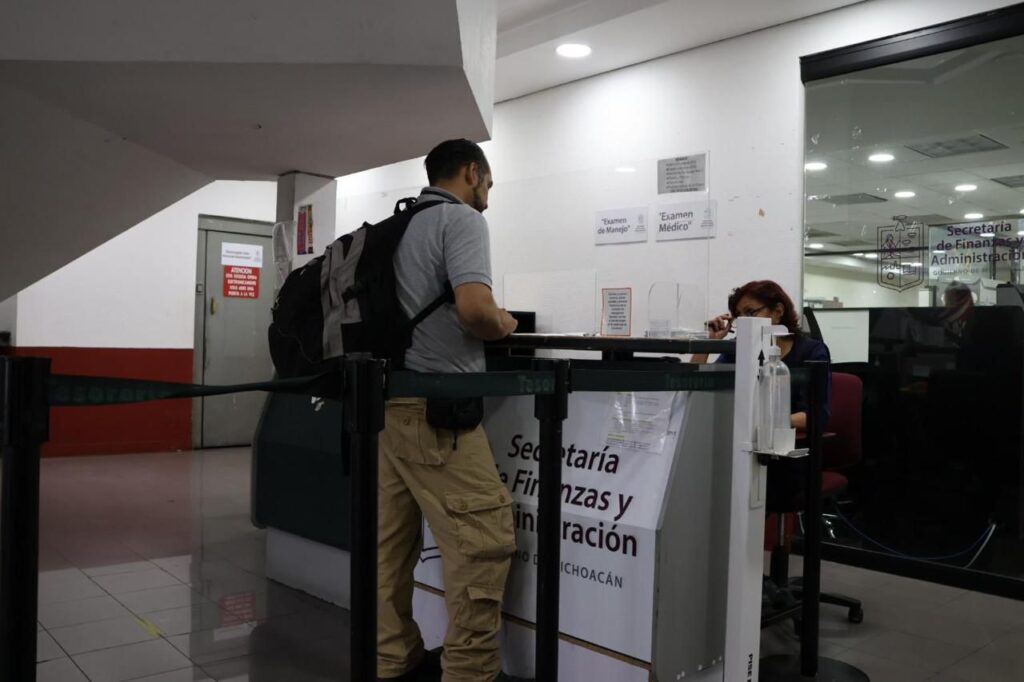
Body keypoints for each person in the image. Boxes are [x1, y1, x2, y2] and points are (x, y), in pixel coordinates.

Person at [378, 139, 520, 682]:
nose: (488, 195)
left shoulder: (399, 225)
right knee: (484, 542)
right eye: (488, 183)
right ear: (471, 171)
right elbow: (476, 311)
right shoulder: (461, 219)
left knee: (389, 547)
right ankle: (468, 673)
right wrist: (505, 323)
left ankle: (390, 658)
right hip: (438, 413)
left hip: (387, 407)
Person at [692, 279, 830, 430]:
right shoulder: (739, 346)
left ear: (778, 311)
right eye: (739, 316)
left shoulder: (812, 351)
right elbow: (696, 386)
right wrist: (707, 341)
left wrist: (766, 420)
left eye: (750, 312)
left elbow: (816, 416)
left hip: (787, 437)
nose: (743, 321)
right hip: (740, 433)